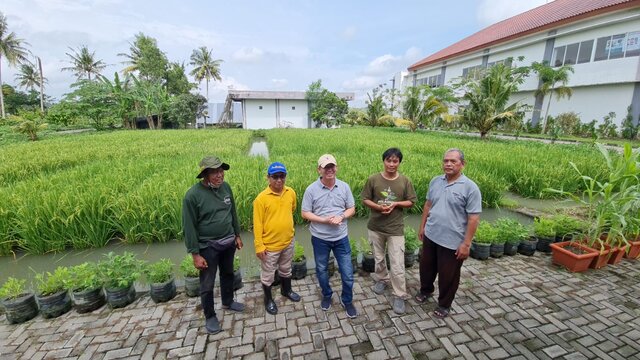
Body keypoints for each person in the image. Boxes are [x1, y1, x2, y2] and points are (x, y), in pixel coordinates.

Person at [182, 156, 245, 334]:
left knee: (227, 273)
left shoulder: (226, 188)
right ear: (205, 174)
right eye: (215, 172)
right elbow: (189, 227)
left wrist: (237, 235)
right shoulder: (192, 196)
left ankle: (228, 301)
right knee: (207, 283)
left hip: (228, 242)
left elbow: (233, 212)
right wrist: (195, 254)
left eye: (221, 170)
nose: (220, 175)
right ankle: (210, 316)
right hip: (208, 246)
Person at [416, 148, 481, 319]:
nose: (448, 164)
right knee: (426, 267)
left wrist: (466, 244)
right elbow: (428, 205)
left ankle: (444, 304)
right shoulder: (435, 181)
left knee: (448, 275)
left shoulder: (470, 188)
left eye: (453, 161)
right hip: (431, 234)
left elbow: (473, 218)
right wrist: (422, 227)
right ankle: (426, 290)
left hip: (452, 241)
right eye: (446, 161)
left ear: (462, 164)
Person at [361, 147, 417, 315]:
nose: (392, 164)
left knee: (398, 263)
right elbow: (364, 199)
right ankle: (382, 278)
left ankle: (399, 295)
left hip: (395, 229)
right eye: (389, 160)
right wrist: (378, 206)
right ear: (383, 161)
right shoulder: (373, 179)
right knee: (378, 259)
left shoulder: (405, 181)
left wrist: (396, 204)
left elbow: (412, 201)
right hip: (376, 227)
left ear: (399, 162)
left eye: (395, 161)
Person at [301, 154, 358, 318]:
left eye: (332, 166)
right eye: (326, 167)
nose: (330, 170)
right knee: (321, 269)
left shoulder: (344, 187)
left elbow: (351, 209)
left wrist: (342, 217)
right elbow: (305, 213)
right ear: (319, 169)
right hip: (320, 239)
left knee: (347, 273)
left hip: (341, 238)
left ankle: (347, 300)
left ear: (337, 168)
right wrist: (324, 220)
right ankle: (327, 294)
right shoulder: (311, 189)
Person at [253, 162, 301, 315]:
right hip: (270, 247)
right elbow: (257, 224)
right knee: (268, 276)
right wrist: (259, 246)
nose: (279, 180)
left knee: (286, 269)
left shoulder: (290, 192)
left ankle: (286, 291)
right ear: (268, 178)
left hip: (288, 242)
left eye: (282, 176)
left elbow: (292, 209)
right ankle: (268, 300)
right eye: (275, 177)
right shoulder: (261, 199)